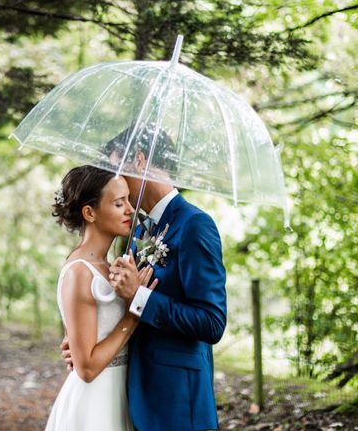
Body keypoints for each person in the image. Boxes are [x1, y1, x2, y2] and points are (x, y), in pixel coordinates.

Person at [62, 127, 228, 431]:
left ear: (139, 160)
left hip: (178, 405)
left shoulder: (195, 225)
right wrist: (88, 336)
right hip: (135, 398)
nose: (116, 180)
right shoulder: (139, 230)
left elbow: (212, 322)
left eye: (117, 168)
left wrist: (141, 298)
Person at [46, 165, 158, 431]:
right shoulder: (79, 272)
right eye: (120, 203)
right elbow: (86, 369)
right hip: (93, 403)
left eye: (129, 200)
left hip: (121, 391)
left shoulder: (109, 269)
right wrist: (134, 313)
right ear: (89, 212)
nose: (131, 210)